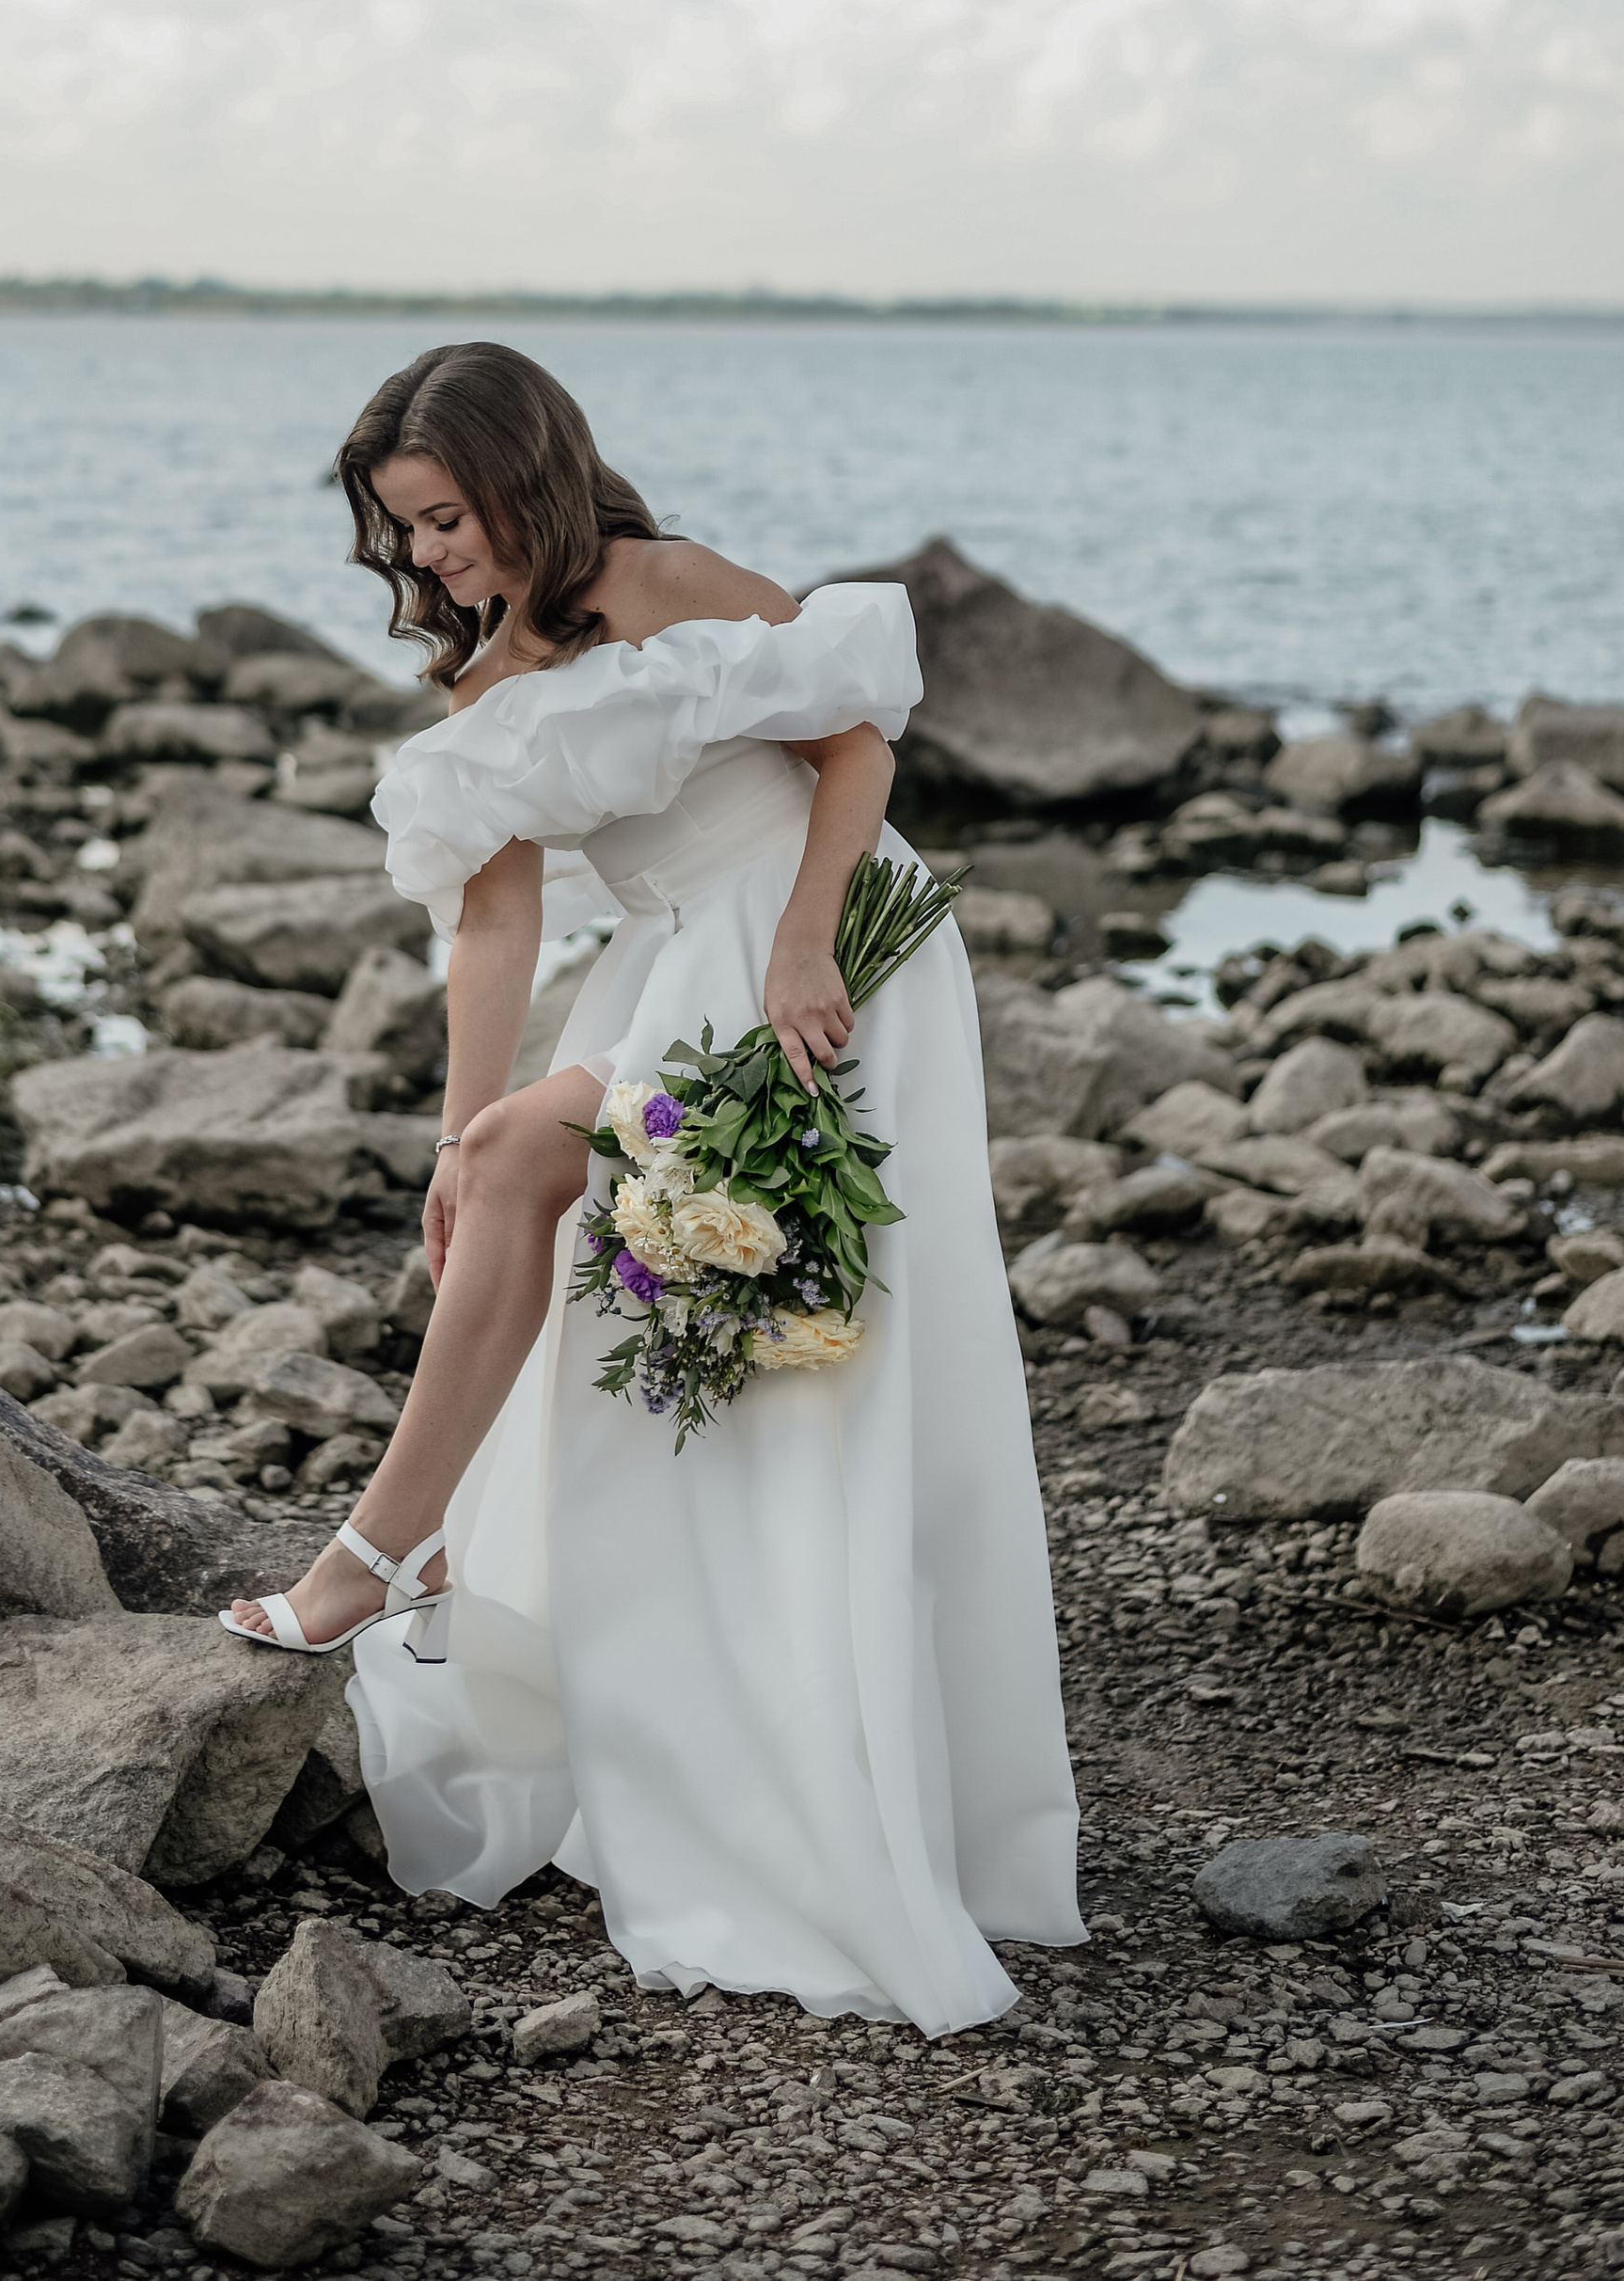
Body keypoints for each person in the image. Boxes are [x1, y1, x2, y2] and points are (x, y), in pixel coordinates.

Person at [223, 341, 1080, 2029]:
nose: (431, 560)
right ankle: (457, 1576)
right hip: (674, 970)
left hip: (832, 954)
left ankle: (375, 1558)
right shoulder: (484, 690)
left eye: (448, 519)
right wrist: (454, 1144)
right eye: (405, 535)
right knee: (522, 1176)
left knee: (734, 1291)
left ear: (525, 474)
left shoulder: (668, 581)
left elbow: (856, 746)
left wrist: (806, 945)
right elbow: (492, 924)